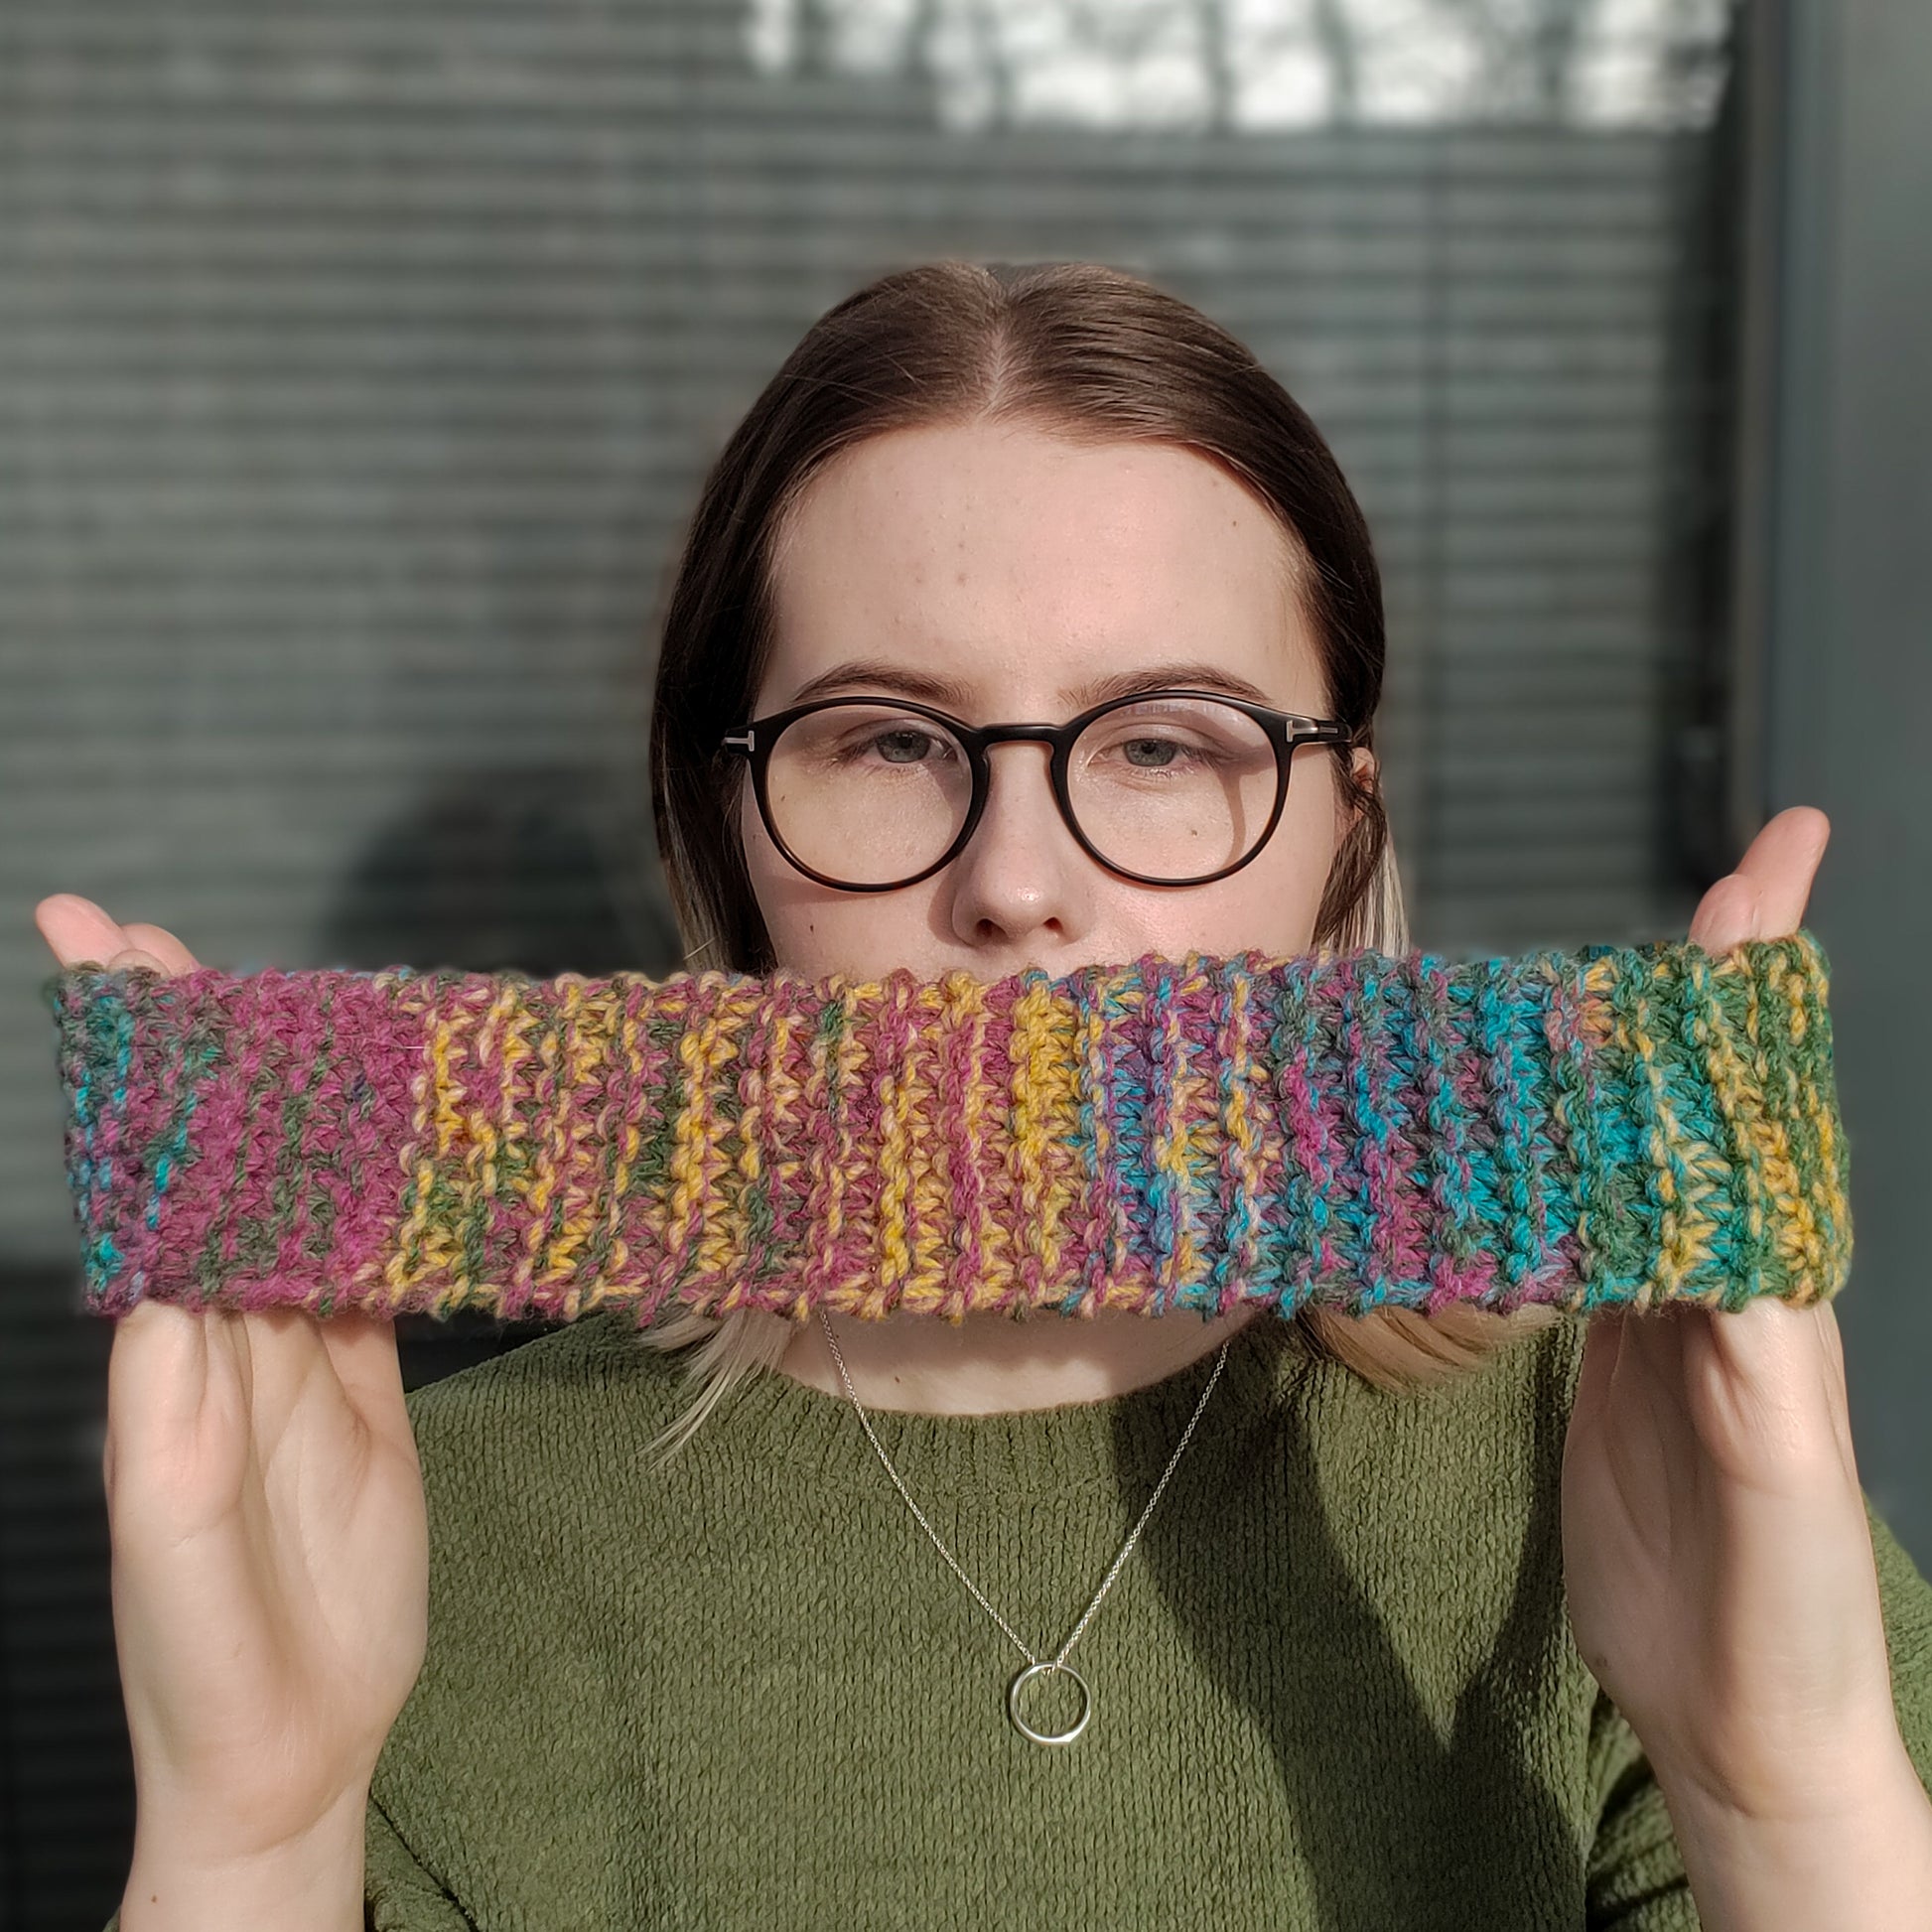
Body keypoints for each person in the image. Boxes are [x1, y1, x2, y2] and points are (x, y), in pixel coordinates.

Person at [42, 260, 1932, 1930]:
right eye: (884, 739)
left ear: (1343, 834)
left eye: (1165, 742)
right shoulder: (417, 1546)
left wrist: (1788, 1791)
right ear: (727, 818)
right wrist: (245, 1839)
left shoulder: (1627, 1491)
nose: (1016, 881)